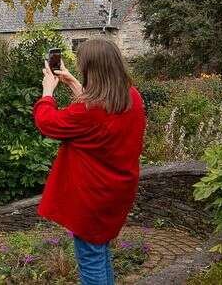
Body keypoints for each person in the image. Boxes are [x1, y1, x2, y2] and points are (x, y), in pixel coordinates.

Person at [34, 38, 146, 285]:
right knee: (100, 250)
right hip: (115, 193)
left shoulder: (89, 112)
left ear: (92, 71)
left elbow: (48, 122)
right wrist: (74, 83)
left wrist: (47, 92)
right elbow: (100, 111)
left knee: (91, 259)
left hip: (91, 198)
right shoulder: (132, 97)